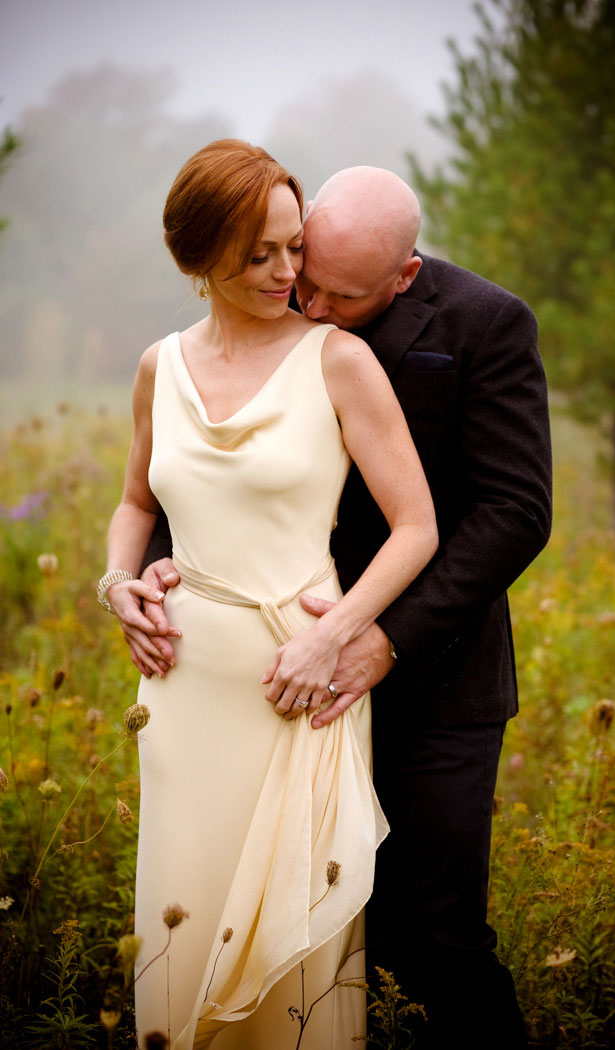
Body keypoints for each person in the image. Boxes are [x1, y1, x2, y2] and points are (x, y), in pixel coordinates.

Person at [124, 166, 552, 1047]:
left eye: (335, 292)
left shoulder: (484, 324)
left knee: (431, 936)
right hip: (269, 683)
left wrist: (381, 639)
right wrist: (160, 571)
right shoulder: (256, 316)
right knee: (305, 928)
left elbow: (514, 513)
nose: (304, 299)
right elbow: (192, 489)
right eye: (297, 269)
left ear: (404, 276)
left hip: (432, 679)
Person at [100, 142, 438, 1050]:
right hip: (181, 690)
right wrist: (119, 585)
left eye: (294, 247)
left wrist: (339, 636)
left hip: (300, 686)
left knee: (294, 945)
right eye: (260, 255)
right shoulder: (156, 368)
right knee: (183, 914)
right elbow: (136, 502)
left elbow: (417, 527)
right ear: (197, 256)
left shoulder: (337, 361)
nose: (289, 272)